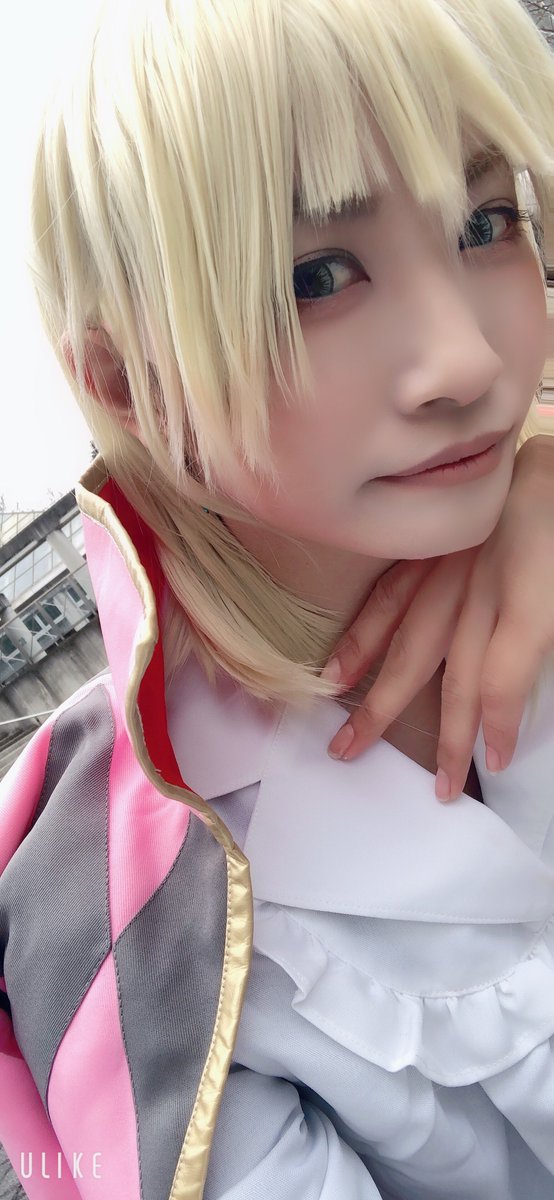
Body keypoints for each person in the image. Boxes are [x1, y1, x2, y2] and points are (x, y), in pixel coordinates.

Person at [2, 0, 554, 1196]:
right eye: (315, 276)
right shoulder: (123, 900)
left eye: (484, 221)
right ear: (132, 387)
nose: (465, 361)